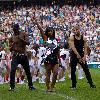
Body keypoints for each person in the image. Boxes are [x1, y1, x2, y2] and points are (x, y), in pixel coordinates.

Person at [32, 17, 60, 92]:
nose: (50, 32)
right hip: (47, 58)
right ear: (47, 32)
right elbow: (41, 30)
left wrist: (59, 58)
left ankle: (52, 86)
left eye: (51, 31)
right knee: (48, 74)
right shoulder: (45, 38)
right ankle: (48, 87)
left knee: (56, 73)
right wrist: (37, 23)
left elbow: (58, 50)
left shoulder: (56, 40)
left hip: (55, 58)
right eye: (49, 31)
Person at [8, 23, 35, 91]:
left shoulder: (24, 34)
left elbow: (28, 43)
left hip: (23, 55)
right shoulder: (11, 37)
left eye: (15, 30)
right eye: (13, 30)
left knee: (27, 71)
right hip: (15, 55)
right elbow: (10, 49)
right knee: (13, 70)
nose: (14, 31)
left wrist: (22, 40)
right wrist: (13, 45)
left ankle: (31, 86)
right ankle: (12, 86)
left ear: (18, 29)